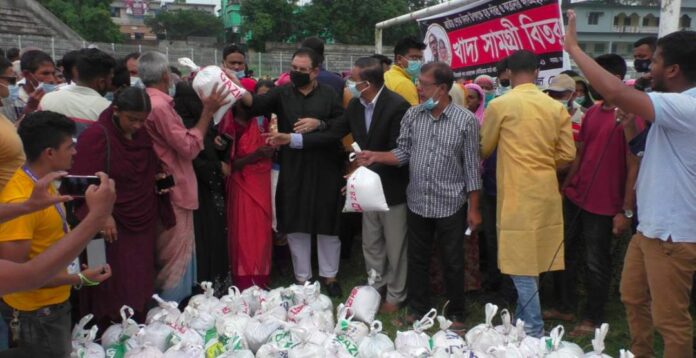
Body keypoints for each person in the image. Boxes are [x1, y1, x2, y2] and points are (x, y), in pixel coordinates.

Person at [565, 11, 696, 357]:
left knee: (671, 321)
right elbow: (647, 152)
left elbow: (613, 91)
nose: (647, 68)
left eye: (653, 61)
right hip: (650, 229)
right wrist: (628, 128)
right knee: (633, 298)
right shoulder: (675, 108)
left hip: (674, 236)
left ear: (673, 70)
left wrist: (574, 49)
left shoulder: (688, 105)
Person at [266, 57, 411, 312]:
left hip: (390, 187)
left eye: (353, 80)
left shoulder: (397, 105)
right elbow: (334, 131)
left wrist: (370, 160)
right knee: (371, 243)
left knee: (395, 245)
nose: (349, 85)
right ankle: (375, 287)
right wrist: (299, 135)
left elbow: (403, 149)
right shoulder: (356, 105)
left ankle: (396, 295)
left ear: (367, 83)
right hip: (366, 188)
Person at [357, 62, 482, 331]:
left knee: (452, 261)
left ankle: (456, 313)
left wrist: (474, 208)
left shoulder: (466, 121)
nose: (419, 88)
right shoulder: (413, 116)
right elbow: (403, 153)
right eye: (419, 83)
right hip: (418, 201)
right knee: (417, 259)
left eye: (424, 84)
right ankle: (418, 309)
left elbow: (472, 167)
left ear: (442, 88)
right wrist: (375, 156)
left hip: (451, 203)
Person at [0, 111, 112, 357]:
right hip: (39, 313)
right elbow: (20, 278)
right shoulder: (20, 198)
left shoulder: (40, 184)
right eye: (69, 146)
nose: (75, 152)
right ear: (49, 153)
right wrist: (79, 279)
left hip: (50, 305)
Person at [480, 50, 575, 338]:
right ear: (536, 72)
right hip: (545, 189)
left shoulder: (501, 104)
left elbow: (484, 148)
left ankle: (533, 328)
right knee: (535, 257)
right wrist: (544, 164)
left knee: (519, 260)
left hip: (517, 192)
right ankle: (523, 322)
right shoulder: (556, 107)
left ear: (507, 73)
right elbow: (568, 155)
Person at [546, 55, 643, 337]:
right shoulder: (592, 113)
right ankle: (565, 306)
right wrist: (569, 186)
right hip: (578, 197)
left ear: (612, 77)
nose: (590, 84)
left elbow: (634, 164)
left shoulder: (632, 116)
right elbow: (580, 153)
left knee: (595, 262)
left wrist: (625, 209)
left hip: (605, 205)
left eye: (596, 76)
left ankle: (593, 318)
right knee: (565, 255)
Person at [237, 47, 345, 297]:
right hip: (294, 167)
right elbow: (255, 105)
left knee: (327, 222)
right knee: (296, 222)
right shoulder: (282, 93)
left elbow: (340, 127)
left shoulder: (329, 94)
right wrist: (236, 87)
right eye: (293, 68)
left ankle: (330, 276)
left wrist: (320, 124)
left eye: (302, 69)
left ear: (315, 71)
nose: (296, 73)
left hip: (325, 166)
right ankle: (303, 278)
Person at [71, 86, 175, 326]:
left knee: (137, 276)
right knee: (103, 276)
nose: (138, 126)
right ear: (116, 111)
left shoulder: (142, 136)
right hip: (102, 226)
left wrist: (158, 178)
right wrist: (102, 214)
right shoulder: (97, 136)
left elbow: (149, 166)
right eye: (132, 119)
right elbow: (82, 184)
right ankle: (102, 329)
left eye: (142, 120)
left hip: (140, 219)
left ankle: (135, 327)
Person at [140, 51, 229, 303]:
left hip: (164, 184)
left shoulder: (148, 101)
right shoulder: (160, 106)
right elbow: (188, 147)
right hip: (175, 187)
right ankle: (171, 310)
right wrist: (207, 113)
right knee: (175, 257)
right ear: (166, 76)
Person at [0, 173, 115, 297]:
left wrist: (27, 207)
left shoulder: (38, 189)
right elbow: (25, 278)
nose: (74, 152)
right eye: (68, 151)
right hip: (34, 311)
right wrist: (97, 217)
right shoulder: (19, 195)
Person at [174, 80, 229, 286]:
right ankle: (205, 283)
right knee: (204, 238)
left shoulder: (204, 123)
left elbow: (210, 145)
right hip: (197, 192)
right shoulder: (186, 127)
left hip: (207, 190)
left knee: (213, 235)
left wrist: (220, 147)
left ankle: (214, 282)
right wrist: (216, 167)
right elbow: (193, 157)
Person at [224, 102, 273, 289]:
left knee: (261, 233)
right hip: (242, 186)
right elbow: (229, 165)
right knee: (244, 234)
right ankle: (244, 280)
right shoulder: (230, 127)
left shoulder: (262, 123)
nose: (249, 108)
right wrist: (256, 155)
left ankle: (261, 277)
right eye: (244, 105)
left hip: (261, 183)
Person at [39, 48, 115, 127]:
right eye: (111, 78)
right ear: (101, 83)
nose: (111, 83)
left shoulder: (47, 98)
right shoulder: (108, 111)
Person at [14, 50, 56, 123]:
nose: (52, 79)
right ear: (26, 74)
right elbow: (10, 130)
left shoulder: (56, 94)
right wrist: (30, 108)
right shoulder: (12, 97)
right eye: (45, 73)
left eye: (53, 73)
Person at [384, 36, 425, 106]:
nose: (418, 62)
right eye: (414, 58)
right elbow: (413, 115)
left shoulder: (387, 75)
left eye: (420, 58)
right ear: (399, 59)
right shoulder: (405, 84)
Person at [543, 74, 584, 141]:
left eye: (559, 95)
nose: (554, 99)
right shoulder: (540, 113)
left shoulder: (582, 120)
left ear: (573, 95)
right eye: (551, 94)